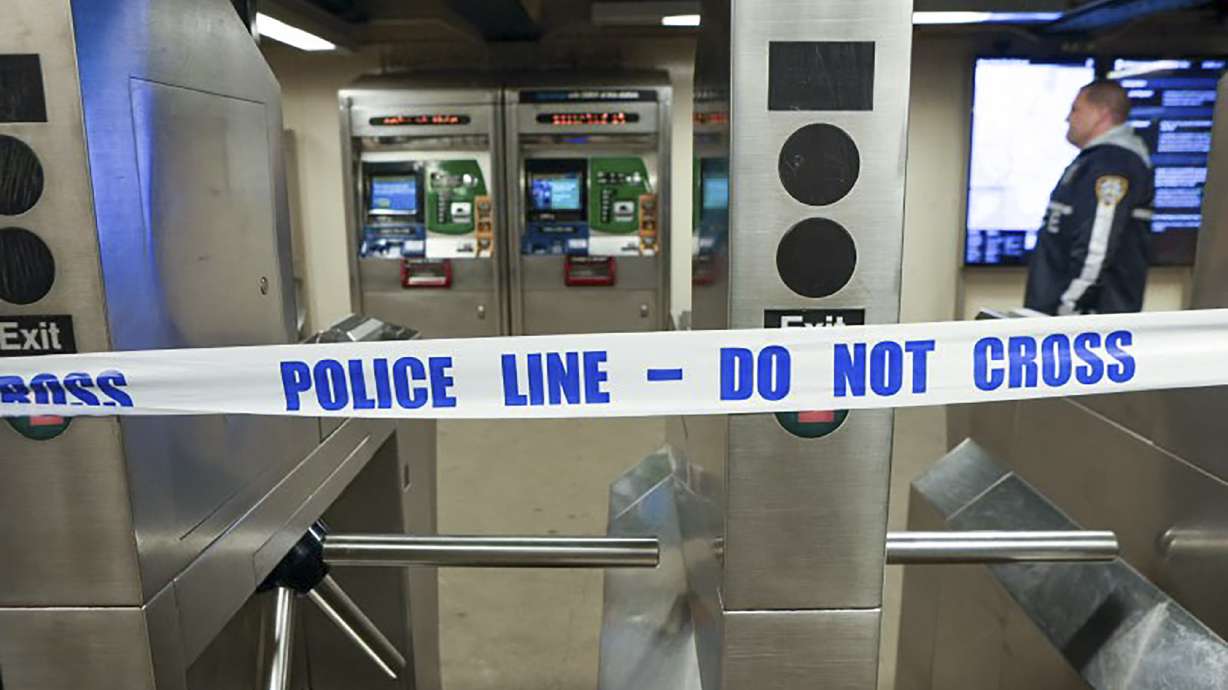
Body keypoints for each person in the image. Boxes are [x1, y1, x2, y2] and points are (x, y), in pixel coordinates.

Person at [1025, 79, 1154, 315]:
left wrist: (1068, 307)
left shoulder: (1113, 163)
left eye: (1075, 109)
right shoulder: (1095, 160)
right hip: (1068, 317)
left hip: (1086, 322)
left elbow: (1098, 244)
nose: (1068, 119)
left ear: (1100, 113)